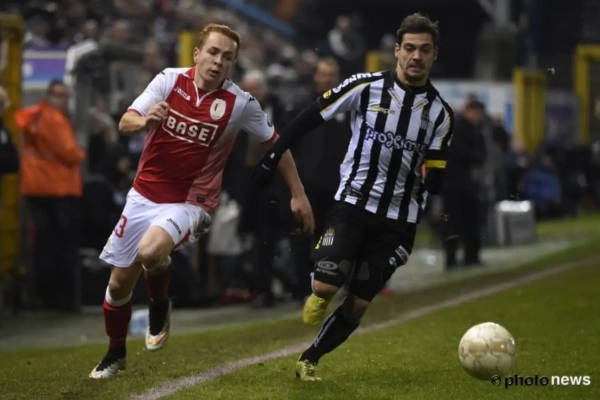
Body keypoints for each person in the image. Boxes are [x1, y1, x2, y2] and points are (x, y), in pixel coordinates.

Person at [90, 23, 314, 379]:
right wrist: (146, 120)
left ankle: (159, 304)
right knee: (118, 285)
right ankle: (116, 353)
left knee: (150, 252)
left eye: (227, 57)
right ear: (197, 54)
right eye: (213, 52)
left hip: (191, 202)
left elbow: (277, 144)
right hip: (143, 195)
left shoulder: (240, 103)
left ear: (233, 64)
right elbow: (125, 122)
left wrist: (298, 195)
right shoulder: (168, 81)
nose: (218, 61)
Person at [253, 13, 454, 381]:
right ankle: (319, 290)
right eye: (410, 48)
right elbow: (309, 117)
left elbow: (437, 176)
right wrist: (272, 156)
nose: (416, 56)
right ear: (397, 50)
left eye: (424, 50)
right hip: (353, 204)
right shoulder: (365, 86)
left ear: (434, 54)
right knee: (325, 284)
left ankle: (310, 359)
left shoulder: (440, 115)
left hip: (399, 220)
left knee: (359, 302)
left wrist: (434, 179)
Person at [441, 100, 487, 269]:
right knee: (454, 223)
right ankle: (452, 260)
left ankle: (470, 257)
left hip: (466, 184)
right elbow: (464, 154)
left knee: (470, 222)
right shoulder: (458, 129)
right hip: (454, 185)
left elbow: (481, 155)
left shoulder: (475, 130)